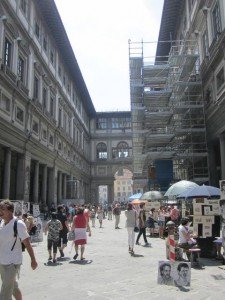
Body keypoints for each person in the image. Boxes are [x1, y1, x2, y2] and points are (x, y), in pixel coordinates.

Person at [0, 199, 38, 300]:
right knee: (13, 288)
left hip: (12, 263)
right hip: (2, 261)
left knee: (5, 292)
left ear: (10, 210)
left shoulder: (18, 224)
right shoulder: (2, 223)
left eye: (2, 209)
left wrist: (33, 260)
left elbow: (27, 244)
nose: (0, 211)